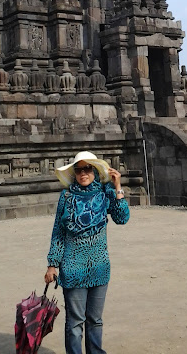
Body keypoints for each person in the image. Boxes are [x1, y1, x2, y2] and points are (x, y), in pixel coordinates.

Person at [44, 151, 130, 354]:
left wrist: (117, 186)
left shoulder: (104, 192)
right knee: (75, 322)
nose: (83, 173)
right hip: (73, 268)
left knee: (95, 320)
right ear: (74, 173)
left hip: (99, 267)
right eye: (79, 169)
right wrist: (52, 264)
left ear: (95, 171)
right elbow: (58, 231)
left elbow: (122, 218)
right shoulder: (66, 196)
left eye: (87, 169)